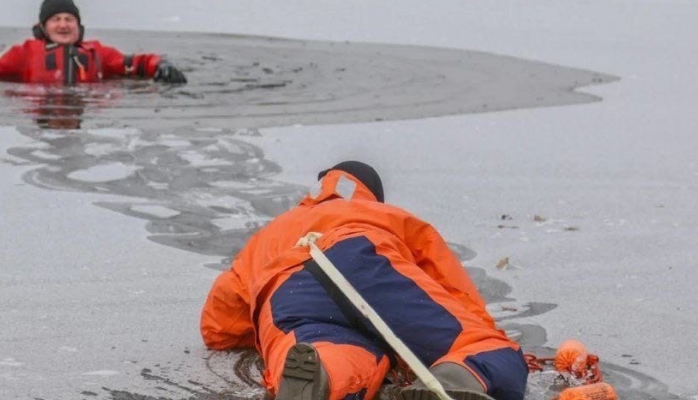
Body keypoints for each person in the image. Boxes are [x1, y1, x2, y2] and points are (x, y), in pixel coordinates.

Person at [201, 161, 528, 400]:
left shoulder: (266, 236)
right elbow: (450, 285)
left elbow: (218, 325)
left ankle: (324, 375)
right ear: (371, 194)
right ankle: (456, 377)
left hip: (284, 290)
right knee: (485, 349)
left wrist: (255, 331)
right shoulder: (382, 214)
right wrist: (481, 333)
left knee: (340, 353)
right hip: (360, 258)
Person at [0, 0, 186, 86]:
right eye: (56, 19)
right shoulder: (26, 51)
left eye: (69, 19)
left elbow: (135, 63)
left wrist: (161, 65)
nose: (63, 24)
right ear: (43, 27)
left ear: (78, 26)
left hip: (83, 110)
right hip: (41, 110)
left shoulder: (96, 52)